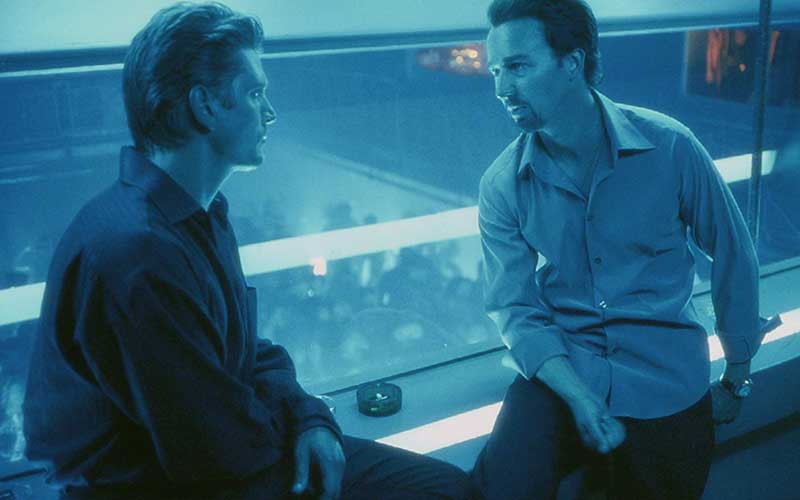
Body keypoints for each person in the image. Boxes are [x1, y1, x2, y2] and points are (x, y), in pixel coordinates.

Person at [22, 3, 468, 499]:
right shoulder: (138, 253)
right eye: (255, 93)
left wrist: (309, 416)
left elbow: (243, 352)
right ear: (205, 106)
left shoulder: (195, 217)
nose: (270, 113)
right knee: (445, 491)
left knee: (446, 488)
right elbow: (217, 451)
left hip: (226, 462)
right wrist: (305, 423)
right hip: (189, 484)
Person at [471, 1, 765, 499]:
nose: (502, 88)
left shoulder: (670, 146)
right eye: (496, 70)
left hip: (665, 381)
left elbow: (733, 255)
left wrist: (737, 373)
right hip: (565, 369)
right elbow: (515, 309)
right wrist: (578, 396)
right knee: (498, 488)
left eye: (518, 67)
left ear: (573, 62)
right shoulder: (502, 184)